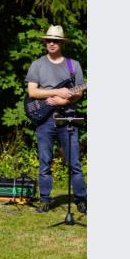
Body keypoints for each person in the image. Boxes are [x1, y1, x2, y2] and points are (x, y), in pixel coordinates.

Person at [26, 25, 87, 214]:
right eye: (49, 40)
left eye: (55, 40)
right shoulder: (37, 64)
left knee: (74, 162)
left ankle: (81, 200)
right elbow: (32, 91)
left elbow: (79, 92)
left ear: (61, 43)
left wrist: (64, 99)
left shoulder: (73, 65)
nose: (51, 43)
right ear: (45, 42)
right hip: (44, 119)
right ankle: (45, 199)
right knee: (45, 161)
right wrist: (55, 93)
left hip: (67, 118)